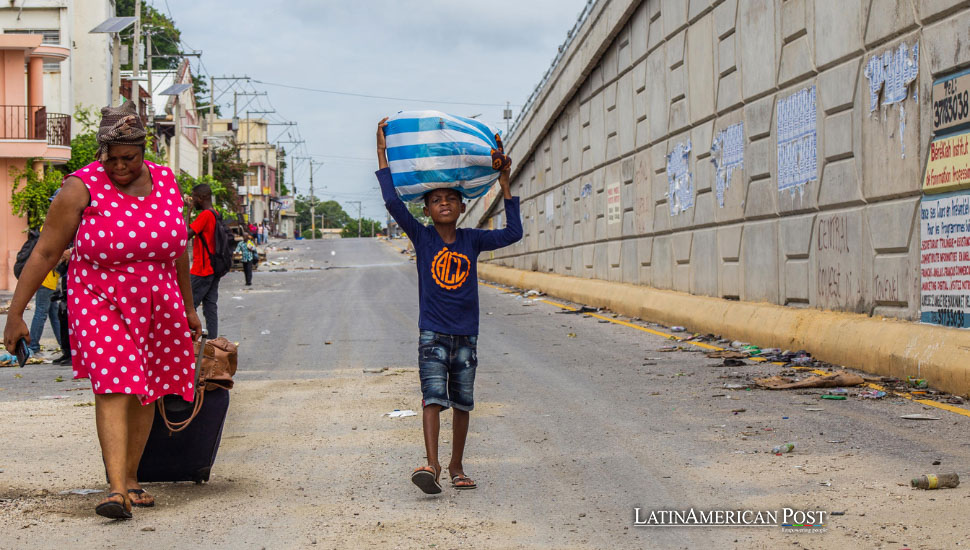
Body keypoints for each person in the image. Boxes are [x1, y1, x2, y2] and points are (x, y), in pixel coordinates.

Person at [3, 101, 202, 519]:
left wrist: (188, 307)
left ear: (143, 149)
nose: (118, 167)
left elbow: (179, 250)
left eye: (127, 158)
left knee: (146, 386)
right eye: (110, 158)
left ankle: (131, 478)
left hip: (158, 298)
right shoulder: (82, 186)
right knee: (115, 382)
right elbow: (45, 252)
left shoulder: (167, 182)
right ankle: (115, 491)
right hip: (99, 296)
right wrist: (15, 313)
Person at [375, 117, 522, 494]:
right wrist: (381, 151)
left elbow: (513, 233)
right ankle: (432, 464)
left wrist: (506, 184)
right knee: (432, 397)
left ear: (461, 206)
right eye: (437, 200)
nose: (445, 204)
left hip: (466, 336)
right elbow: (392, 201)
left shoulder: (472, 239)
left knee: (463, 403)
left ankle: (457, 465)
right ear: (426, 209)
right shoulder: (422, 238)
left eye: (451, 199)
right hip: (433, 333)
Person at [187, 184, 220, 338]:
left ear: (200, 198)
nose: (193, 200)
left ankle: (185, 345)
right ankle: (214, 343)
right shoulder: (215, 213)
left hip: (202, 268)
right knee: (210, 307)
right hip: (213, 268)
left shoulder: (205, 215)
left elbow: (185, 235)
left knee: (187, 307)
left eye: (194, 197)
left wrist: (188, 210)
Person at [28, 244, 70, 356]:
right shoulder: (52, 235)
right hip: (47, 280)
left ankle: (64, 346)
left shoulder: (44, 234)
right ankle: (33, 346)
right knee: (41, 312)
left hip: (48, 280)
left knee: (55, 314)